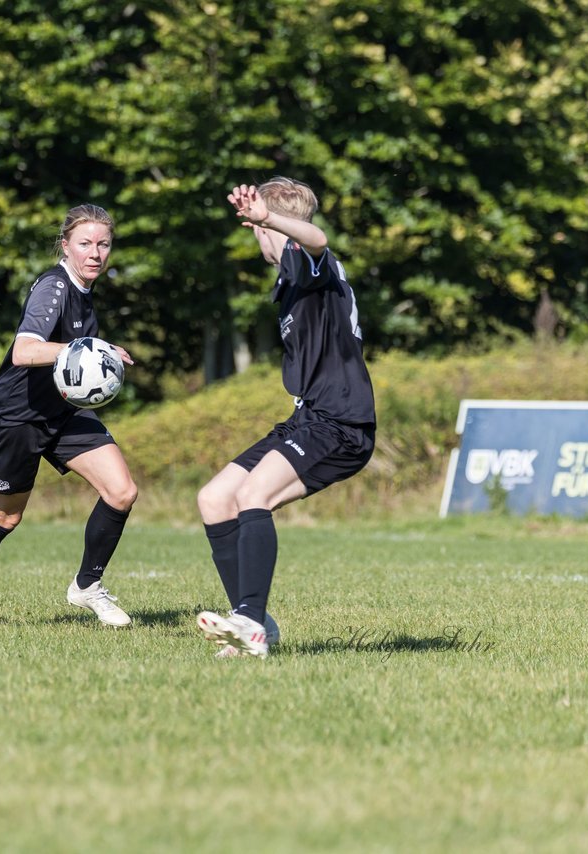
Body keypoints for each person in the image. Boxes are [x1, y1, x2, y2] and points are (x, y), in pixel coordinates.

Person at [194, 178, 376, 658]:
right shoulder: (288, 279)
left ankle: (250, 624)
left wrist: (267, 219)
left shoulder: (306, 259)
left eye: (257, 224)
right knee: (215, 499)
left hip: (339, 421)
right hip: (307, 419)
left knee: (254, 495)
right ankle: (253, 620)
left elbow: (319, 240)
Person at [0, 204, 138, 628]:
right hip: (18, 415)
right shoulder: (55, 287)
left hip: (63, 412)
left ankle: (87, 586)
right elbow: (24, 351)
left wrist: (102, 352)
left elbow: (73, 356)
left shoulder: (85, 292)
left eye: (103, 244)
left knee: (121, 492)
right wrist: (88, 349)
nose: (95, 253)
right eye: (85, 244)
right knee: (5, 516)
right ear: (65, 245)